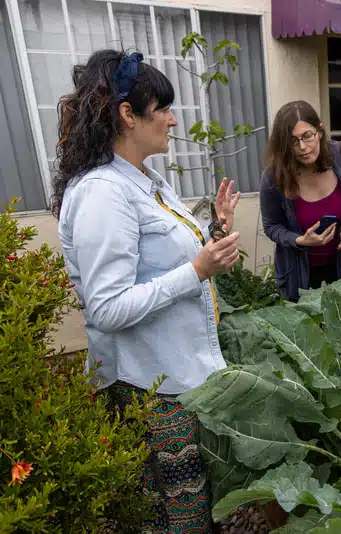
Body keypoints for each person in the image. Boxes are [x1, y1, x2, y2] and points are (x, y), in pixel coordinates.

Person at [55, 50, 241, 531]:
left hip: (177, 380)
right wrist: (198, 270)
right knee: (174, 519)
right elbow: (108, 307)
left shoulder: (147, 182)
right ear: (127, 115)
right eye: (162, 108)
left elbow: (163, 260)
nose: (173, 120)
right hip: (148, 392)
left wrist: (213, 233)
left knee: (194, 512)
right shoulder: (103, 193)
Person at [260, 100, 341, 301]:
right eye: (293, 141)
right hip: (299, 279)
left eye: (308, 136)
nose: (303, 147)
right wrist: (300, 240)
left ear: (320, 130)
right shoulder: (274, 176)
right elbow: (271, 226)